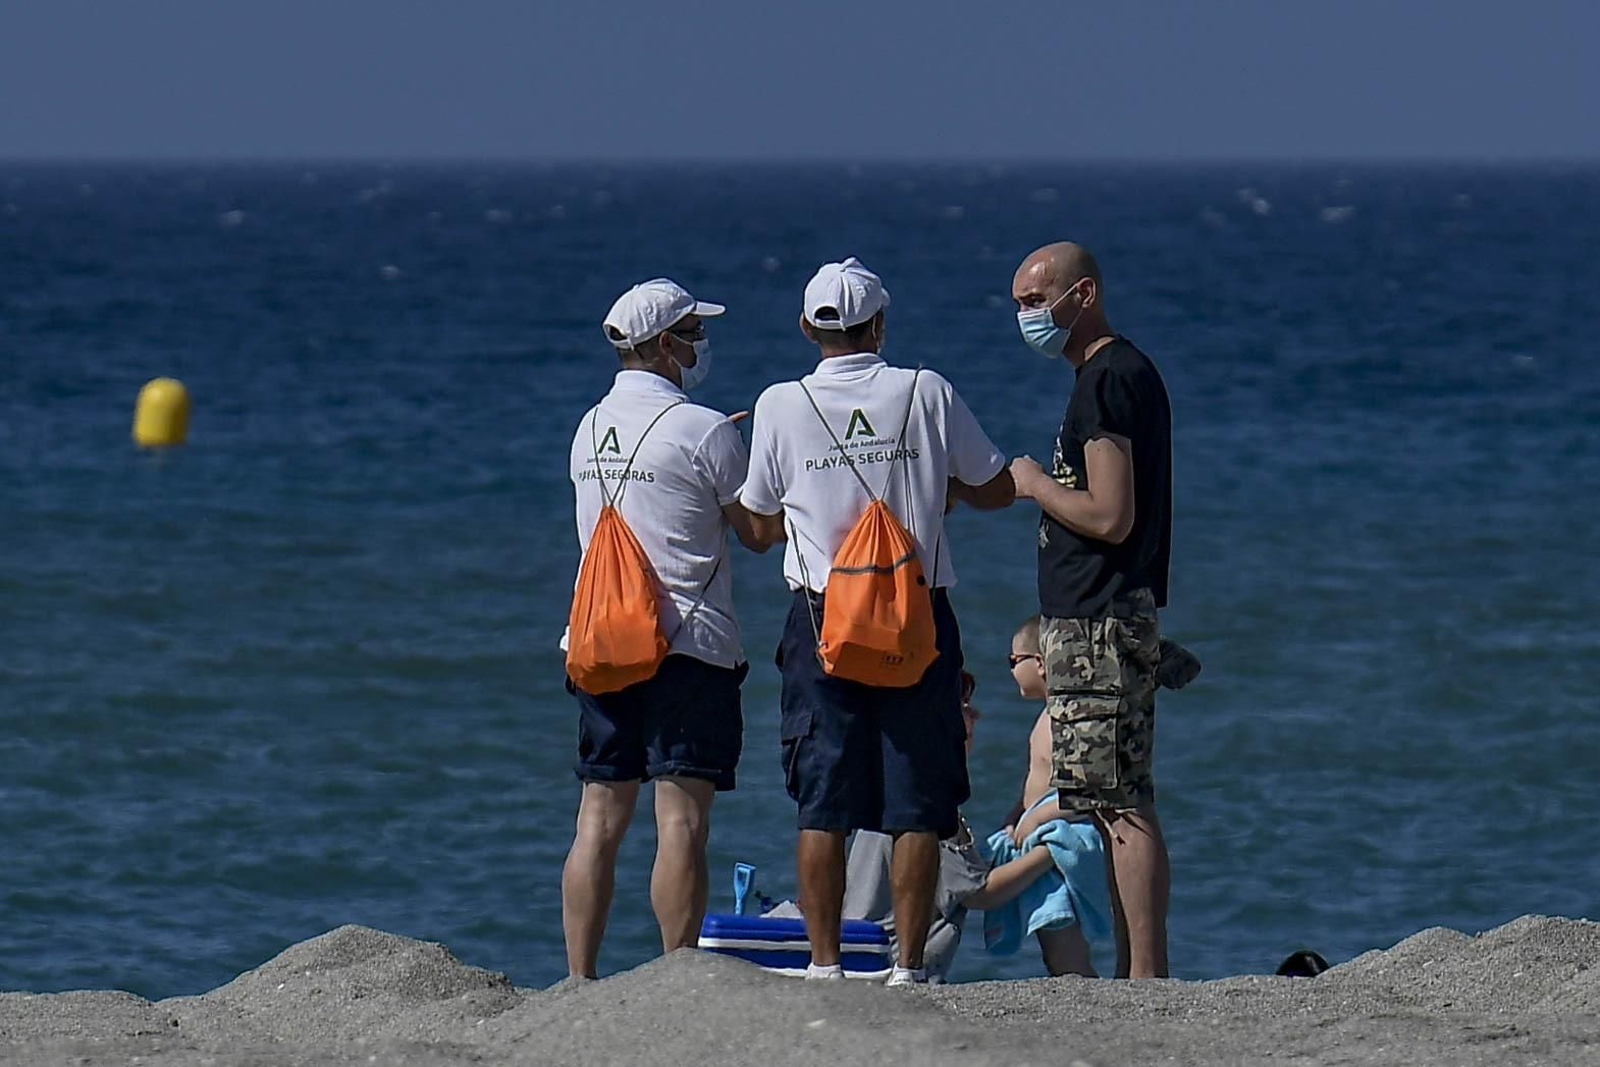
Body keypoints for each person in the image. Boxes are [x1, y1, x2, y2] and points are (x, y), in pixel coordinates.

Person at [738, 257, 1016, 986]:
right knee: (917, 800)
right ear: (881, 324)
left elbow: (760, 525)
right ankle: (910, 966)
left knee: (821, 802)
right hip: (914, 613)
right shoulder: (926, 390)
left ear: (808, 328)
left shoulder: (780, 404)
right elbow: (992, 487)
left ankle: (825, 962)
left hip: (821, 617)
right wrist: (938, 490)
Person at [559, 278, 769, 979]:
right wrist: (750, 450)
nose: (700, 342)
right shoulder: (704, 428)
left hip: (599, 641)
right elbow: (756, 532)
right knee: (680, 820)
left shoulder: (588, 426)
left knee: (598, 817)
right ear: (661, 346)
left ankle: (579, 976)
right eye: (691, 331)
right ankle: (677, 974)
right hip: (689, 643)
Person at [1008, 241, 1177, 979]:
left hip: (1100, 618)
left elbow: (1110, 513)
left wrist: (1035, 484)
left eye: (1036, 300)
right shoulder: (1112, 375)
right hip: (1100, 614)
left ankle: (1144, 971)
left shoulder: (1108, 379)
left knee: (1117, 800)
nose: (1027, 316)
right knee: (1115, 793)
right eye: (1017, 303)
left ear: (1083, 295)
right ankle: (1137, 966)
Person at [838, 675, 1080, 982]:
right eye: (965, 708)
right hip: (889, 960)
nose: (977, 715)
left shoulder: (894, 786)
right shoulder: (925, 798)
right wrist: (1053, 851)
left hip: (863, 950)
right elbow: (980, 893)